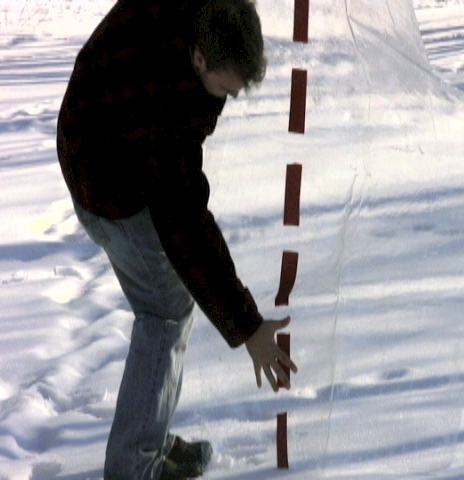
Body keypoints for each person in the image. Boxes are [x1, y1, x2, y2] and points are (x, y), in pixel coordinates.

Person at [56, 0, 298, 478]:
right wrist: (247, 326)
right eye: (223, 89)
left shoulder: (205, 18)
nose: (226, 99)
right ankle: (133, 466)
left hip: (107, 130)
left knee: (169, 306)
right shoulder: (166, 103)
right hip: (104, 178)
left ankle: (146, 439)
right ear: (200, 59)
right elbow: (182, 218)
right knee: (165, 311)